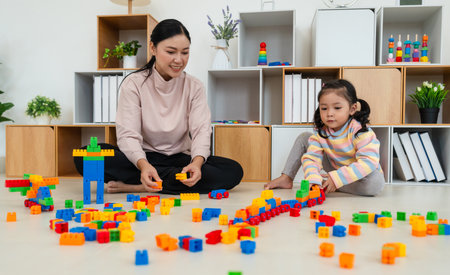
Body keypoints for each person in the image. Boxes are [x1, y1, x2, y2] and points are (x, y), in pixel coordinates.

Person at [74, 19, 243, 195]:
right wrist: (144, 165)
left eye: (185, 52)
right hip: (142, 158)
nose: (179, 60)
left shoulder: (195, 86)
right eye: (171, 52)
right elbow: (128, 135)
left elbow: (201, 130)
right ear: (153, 48)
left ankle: (140, 186)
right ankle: (162, 181)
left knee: (233, 170)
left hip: (180, 160)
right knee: (85, 156)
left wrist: (196, 164)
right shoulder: (133, 84)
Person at [265, 79, 384, 196]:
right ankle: (286, 178)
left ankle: (332, 184)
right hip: (334, 168)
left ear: (352, 109)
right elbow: (312, 158)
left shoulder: (360, 131)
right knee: (304, 137)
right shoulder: (321, 132)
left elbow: (368, 161)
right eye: (324, 108)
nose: (329, 113)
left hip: (359, 174)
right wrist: (314, 179)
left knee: (375, 183)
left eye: (337, 108)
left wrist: (337, 179)